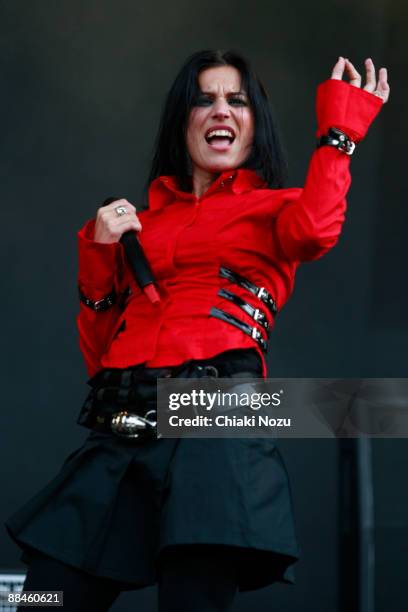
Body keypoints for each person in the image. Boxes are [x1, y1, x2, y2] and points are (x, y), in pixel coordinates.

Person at [5, 50, 389, 612]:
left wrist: (339, 133)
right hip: (122, 423)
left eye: (237, 100)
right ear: (181, 119)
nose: (221, 110)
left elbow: (315, 232)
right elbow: (101, 357)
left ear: (255, 123)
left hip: (214, 412)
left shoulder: (277, 209)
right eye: (204, 98)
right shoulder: (141, 223)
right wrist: (98, 256)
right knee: (44, 598)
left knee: (192, 601)